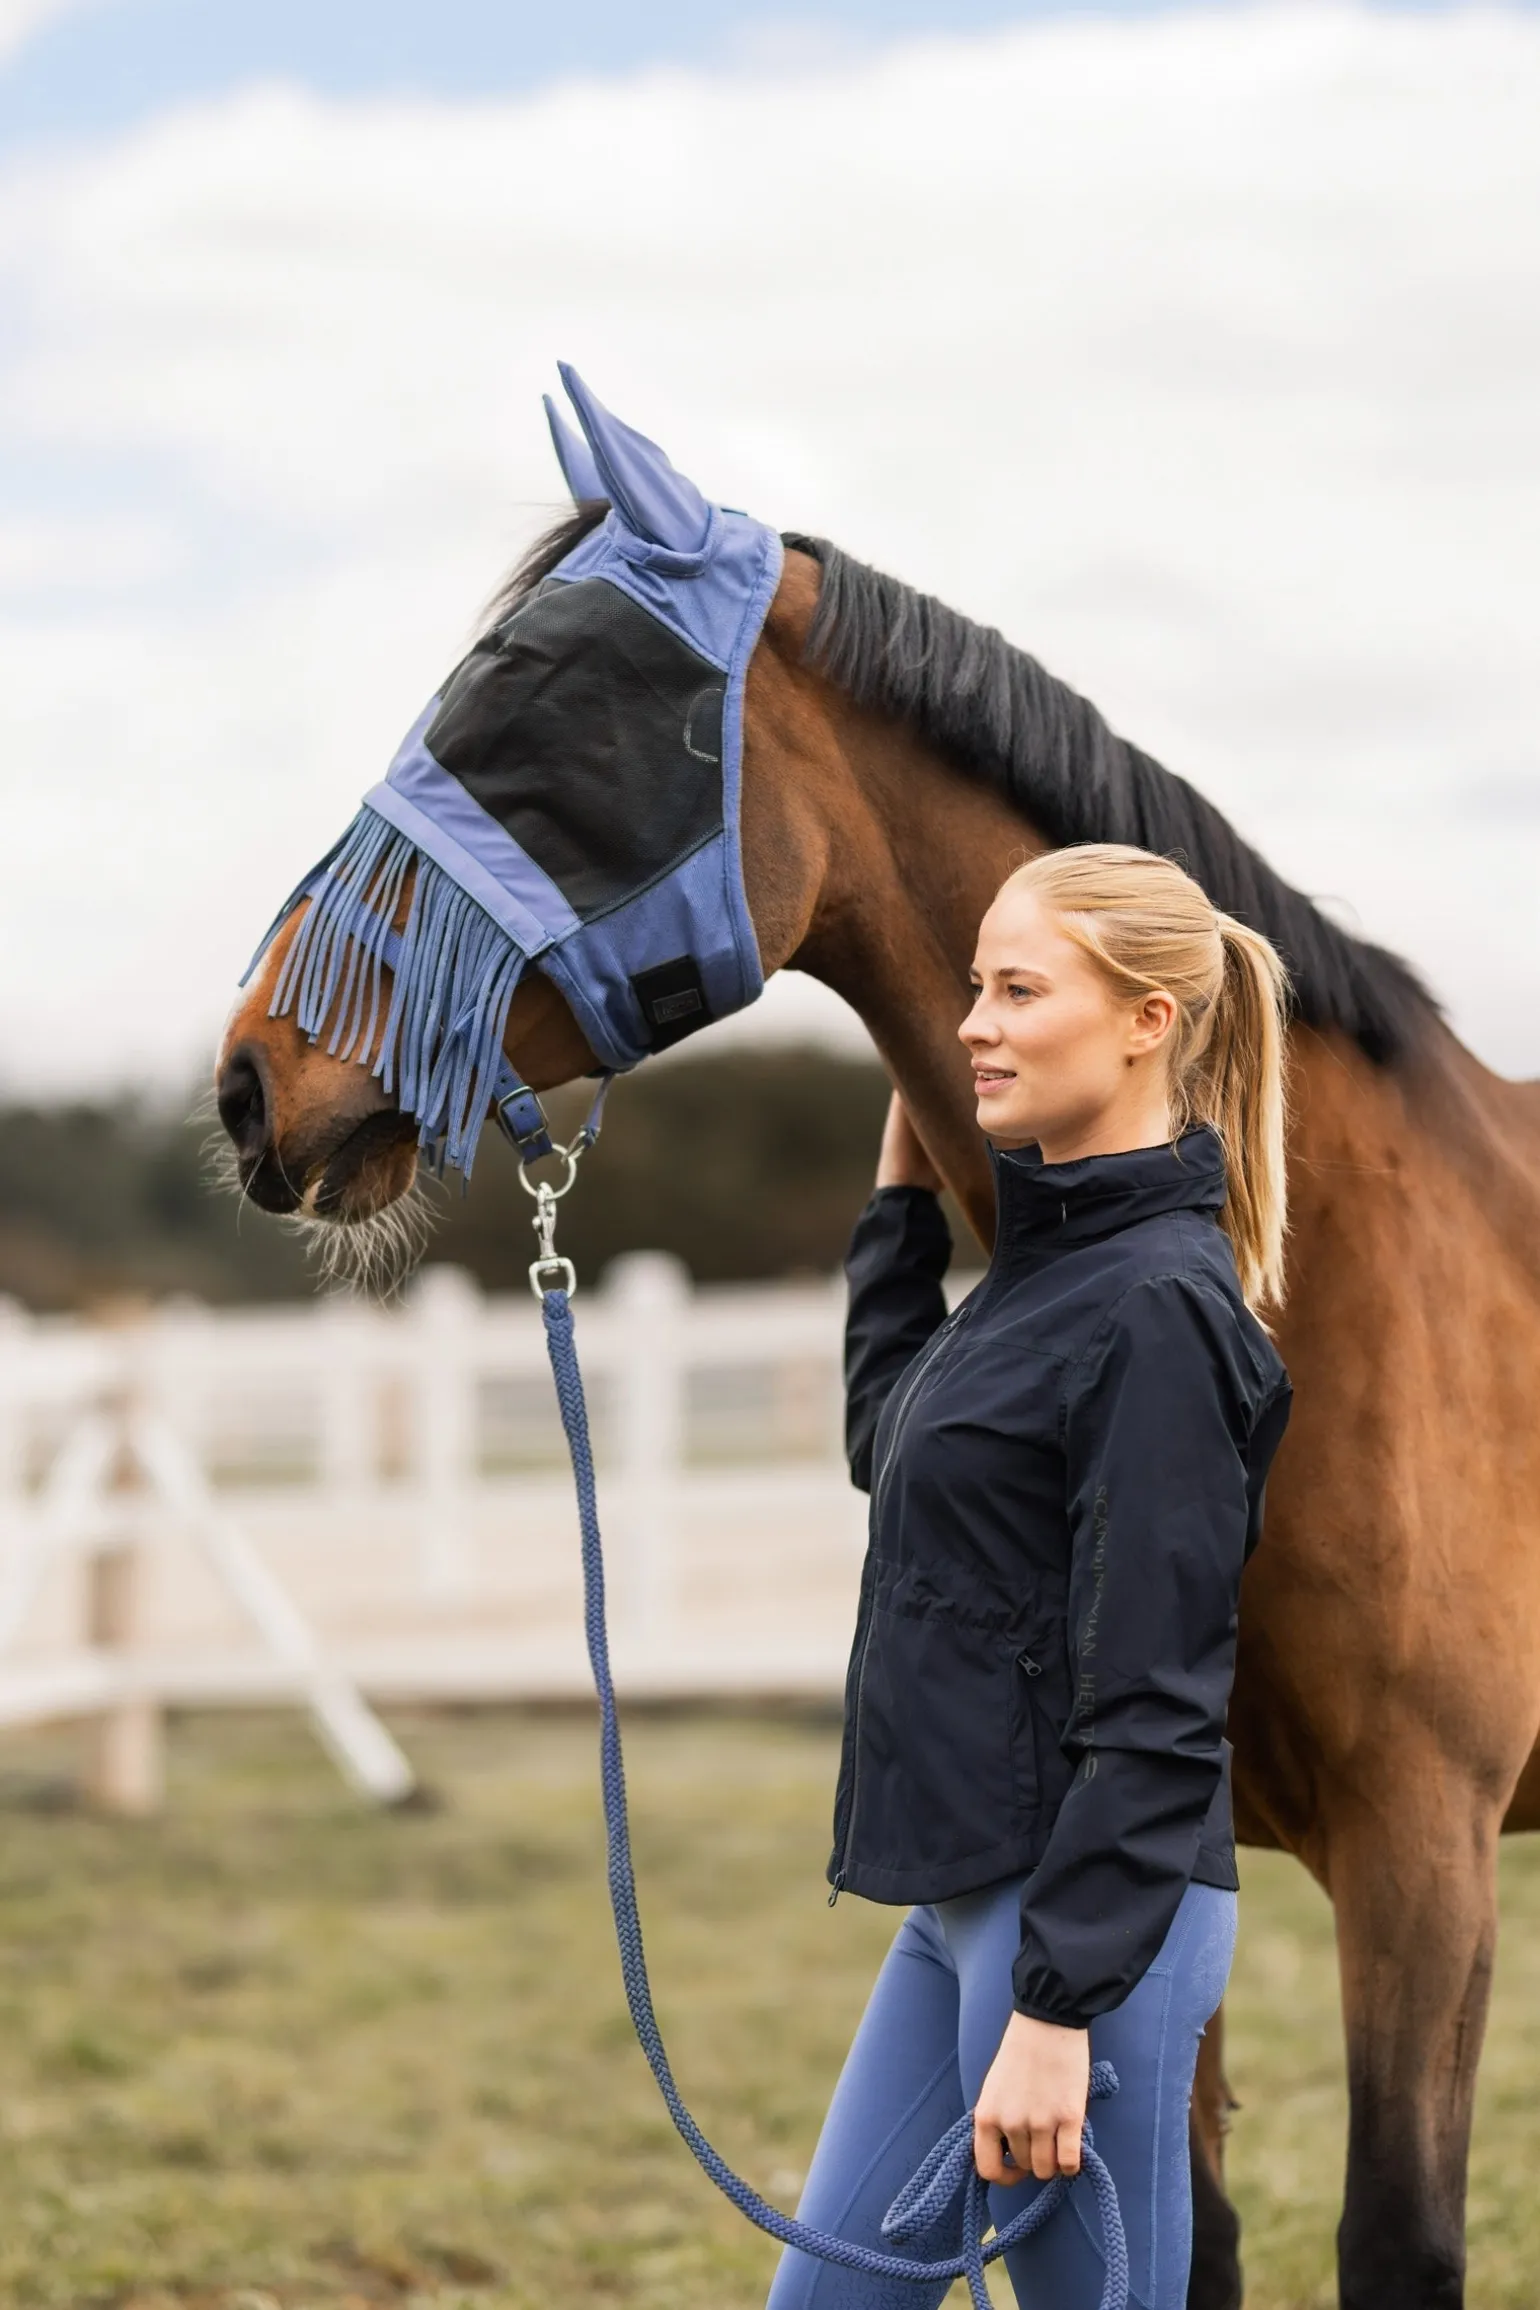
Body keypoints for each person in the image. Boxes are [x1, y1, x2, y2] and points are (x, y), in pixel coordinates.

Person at [767, 843, 1295, 2310]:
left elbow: (1162, 1697)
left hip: (1081, 1928)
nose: (971, 1025)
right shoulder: (1052, 1263)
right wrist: (898, 1210)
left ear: (1146, 1020)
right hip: (965, 1906)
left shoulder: (1160, 1309)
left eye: (1016, 988)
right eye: (974, 988)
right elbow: (904, 1450)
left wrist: (1064, 2007)